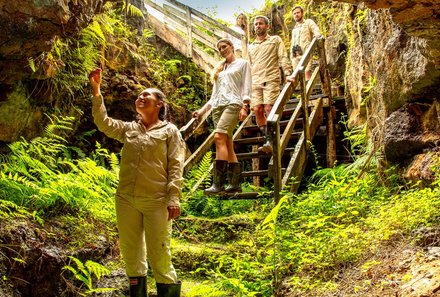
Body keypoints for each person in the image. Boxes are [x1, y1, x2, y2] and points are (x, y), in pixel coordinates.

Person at [89, 68, 184, 297]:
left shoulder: (169, 131)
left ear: (159, 104)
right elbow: (103, 123)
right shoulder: (129, 129)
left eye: (146, 95)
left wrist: (173, 197)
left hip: (157, 201)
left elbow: (176, 165)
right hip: (126, 200)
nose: (140, 98)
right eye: (139, 96)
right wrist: (96, 90)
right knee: (132, 255)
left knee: (160, 255)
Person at [193, 38, 252, 195]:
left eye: (224, 46)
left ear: (232, 47)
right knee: (227, 142)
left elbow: (246, 86)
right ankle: (235, 184)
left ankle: (218, 184)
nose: (222, 50)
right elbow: (214, 96)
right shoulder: (219, 69)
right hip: (217, 107)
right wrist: (201, 111)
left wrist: (245, 106)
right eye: (219, 48)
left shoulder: (242, 64)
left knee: (218, 137)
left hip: (233, 104)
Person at [248, 15, 292, 154]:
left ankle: (271, 141)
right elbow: (248, 65)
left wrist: (288, 73)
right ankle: (268, 139)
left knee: (269, 108)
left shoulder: (275, 40)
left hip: (271, 78)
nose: (258, 26)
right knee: (257, 110)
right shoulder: (250, 46)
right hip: (255, 81)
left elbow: (282, 56)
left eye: (260, 23)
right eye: (256, 24)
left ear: (267, 26)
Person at [287, 5, 322, 82]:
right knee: (296, 75)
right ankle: (301, 93)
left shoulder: (308, 22)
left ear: (302, 13)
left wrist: (317, 34)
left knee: (307, 71)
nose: (296, 14)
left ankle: (310, 93)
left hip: (306, 52)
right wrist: (291, 55)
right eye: (294, 13)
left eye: (298, 12)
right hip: (295, 55)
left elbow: (315, 29)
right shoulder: (294, 29)